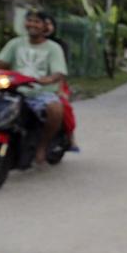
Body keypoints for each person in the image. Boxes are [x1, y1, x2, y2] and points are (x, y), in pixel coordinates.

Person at [0, 10, 67, 165]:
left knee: (55, 109)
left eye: (37, 21)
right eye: (29, 20)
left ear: (45, 26)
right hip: (14, 90)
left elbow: (59, 73)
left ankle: (42, 146)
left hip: (40, 92)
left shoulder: (54, 48)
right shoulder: (15, 43)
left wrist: (48, 79)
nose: (32, 24)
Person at [42, 13, 79, 152]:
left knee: (63, 106)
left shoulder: (59, 45)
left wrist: (60, 89)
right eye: (43, 23)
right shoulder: (25, 43)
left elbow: (61, 70)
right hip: (29, 82)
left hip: (55, 82)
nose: (46, 27)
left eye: (49, 24)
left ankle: (70, 137)